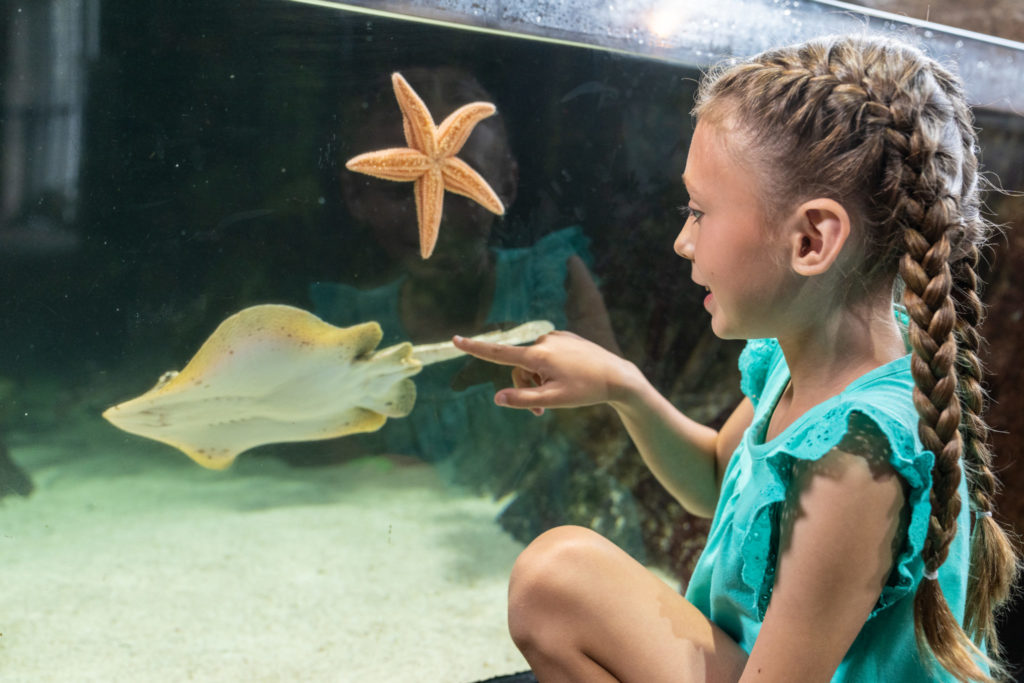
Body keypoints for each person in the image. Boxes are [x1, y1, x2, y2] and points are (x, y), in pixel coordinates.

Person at [453, 35, 1019, 682]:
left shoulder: (856, 457)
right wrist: (623, 386)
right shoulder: (813, 356)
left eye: (698, 211)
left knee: (556, 579)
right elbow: (717, 479)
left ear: (811, 239)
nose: (682, 240)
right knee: (555, 584)